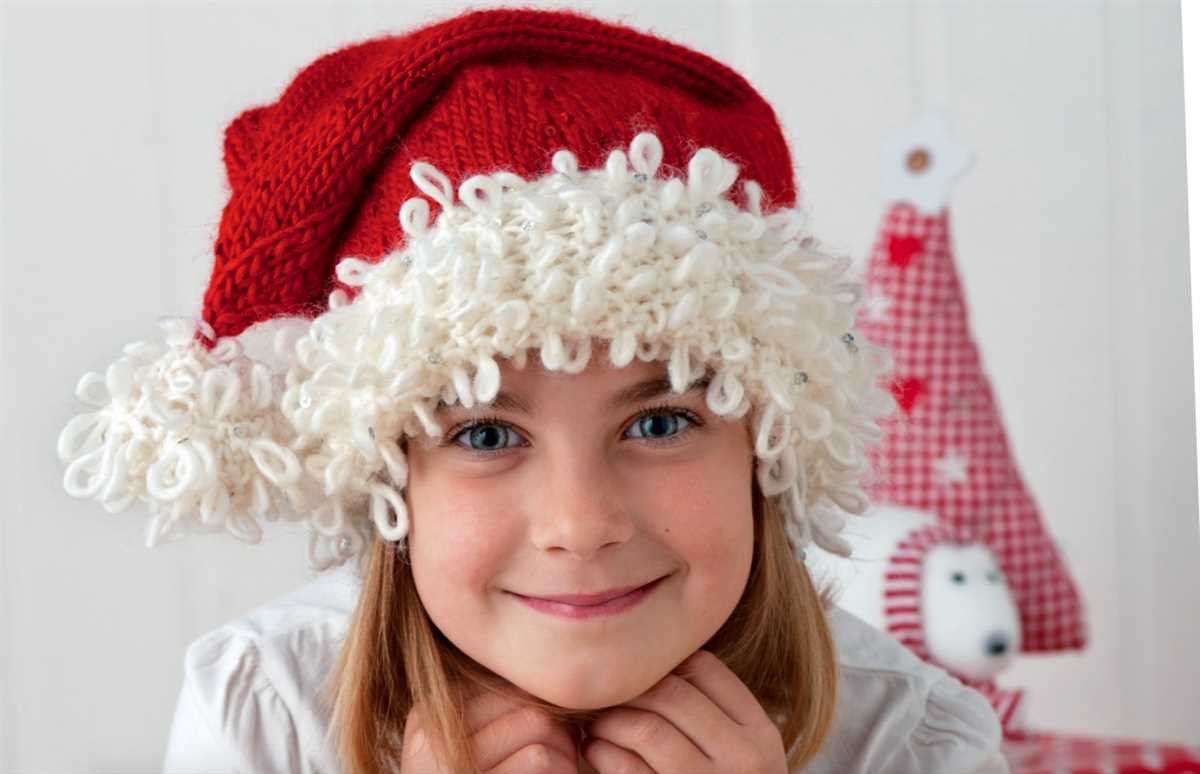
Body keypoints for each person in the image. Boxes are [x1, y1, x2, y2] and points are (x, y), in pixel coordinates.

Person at [56, 7, 1008, 773]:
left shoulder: (917, 744)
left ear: (766, 446)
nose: (578, 523)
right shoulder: (263, 712)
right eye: (483, 434)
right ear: (390, 481)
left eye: (663, 416)